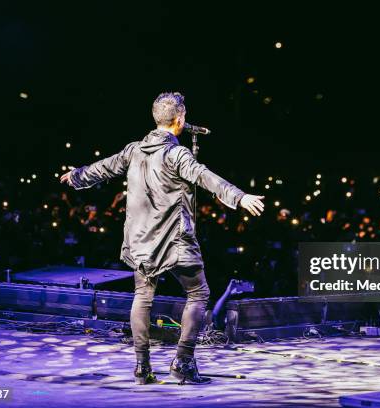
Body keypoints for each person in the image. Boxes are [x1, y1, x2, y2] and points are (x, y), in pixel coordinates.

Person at [60, 92, 265, 385]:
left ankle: (142, 368)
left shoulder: (134, 150)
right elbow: (205, 176)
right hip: (174, 239)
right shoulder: (177, 153)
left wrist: (78, 175)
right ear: (179, 120)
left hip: (141, 239)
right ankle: (182, 361)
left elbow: (105, 167)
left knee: (142, 296)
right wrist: (239, 196)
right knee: (198, 294)